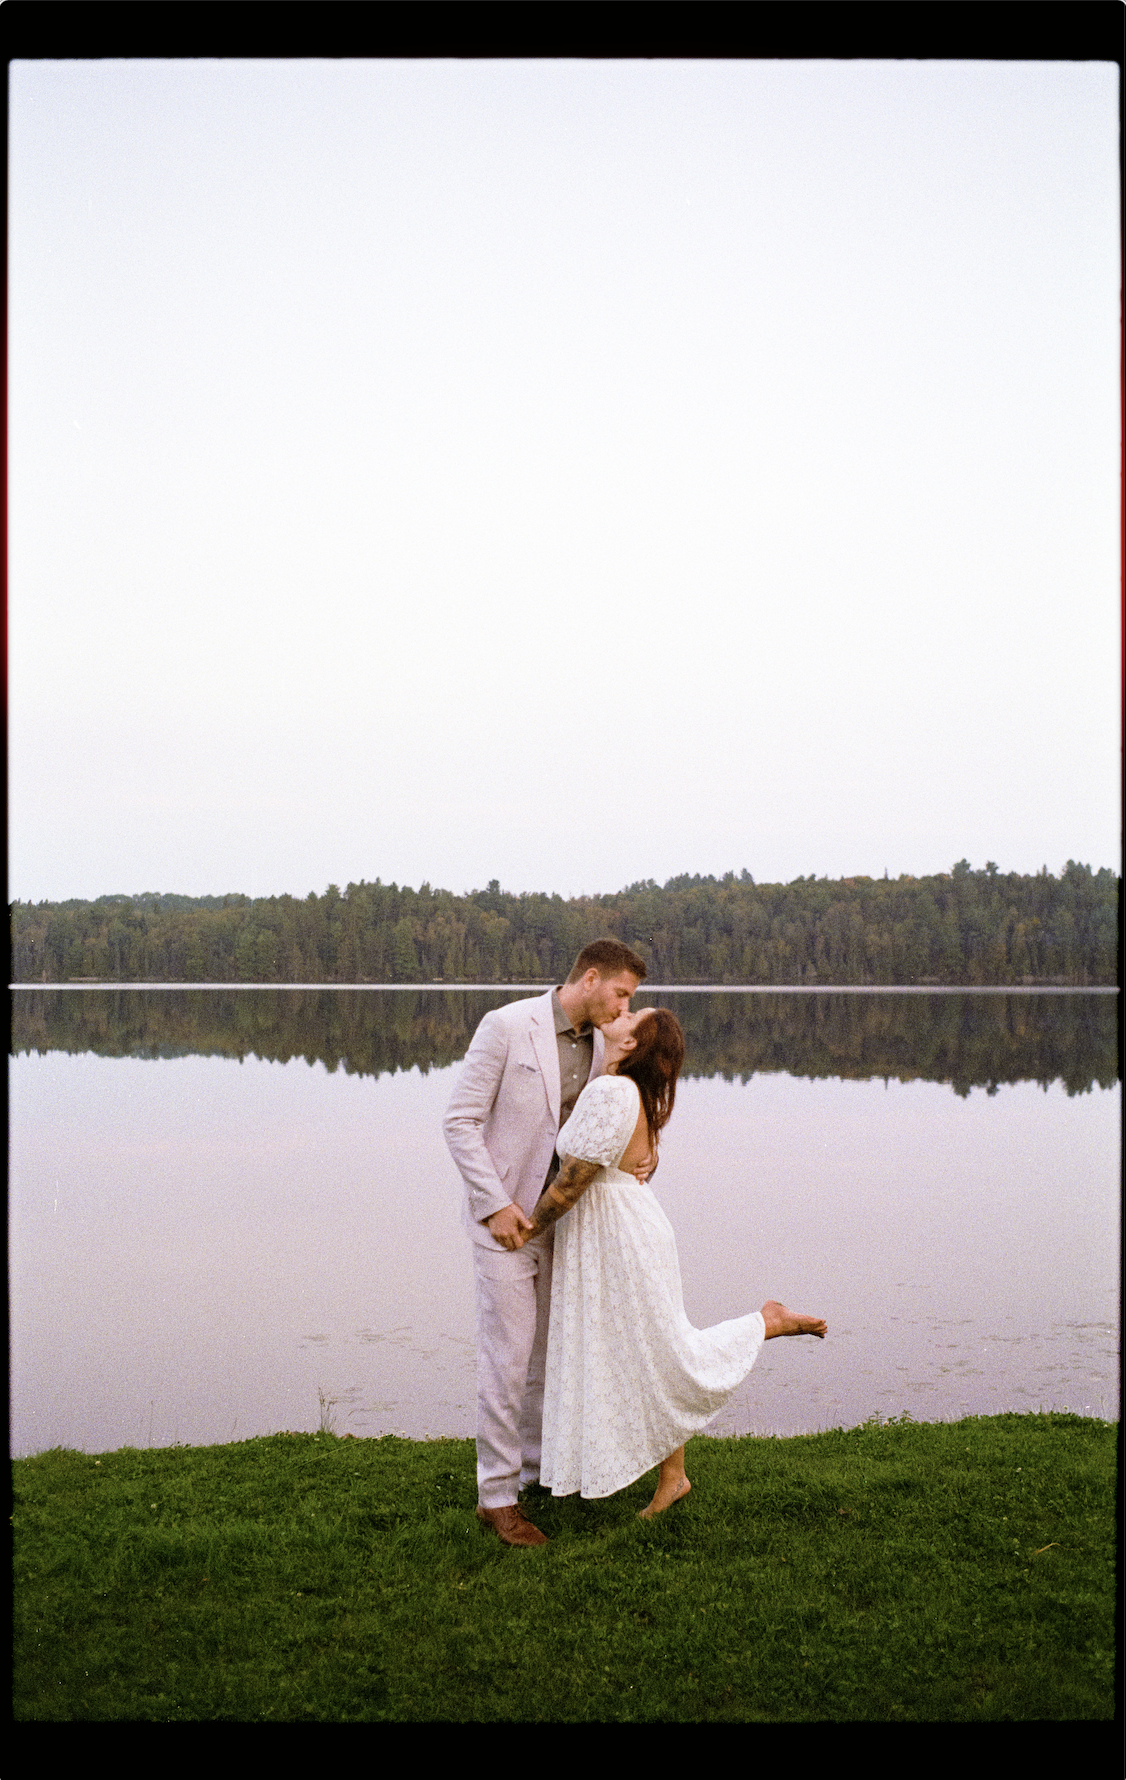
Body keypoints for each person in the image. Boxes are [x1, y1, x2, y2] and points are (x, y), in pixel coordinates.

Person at [512, 1006, 827, 1518]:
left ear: (633, 1044)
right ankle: (673, 1476)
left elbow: (572, 1181)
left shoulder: (615, 1091)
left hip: (617, 1237)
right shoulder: (620, 1090)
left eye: (633, 1014)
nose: (622, 1012)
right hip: (618, 1229)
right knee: (648, 1351)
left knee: (660, 1351)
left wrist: (524, 1230)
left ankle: (764, 1323)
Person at [443, 938, 651, 1547]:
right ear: (591, 979)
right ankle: (496, 1499)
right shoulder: (507, 1025)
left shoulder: (606, 1044)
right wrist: (495, 1206)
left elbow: (612, 1123)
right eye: (621, 993)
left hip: (566, 1224)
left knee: (547, 1356)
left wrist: (642, 1158)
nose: (625, 1006)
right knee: (507, 1359)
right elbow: (459, 1121)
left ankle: (534, 1474)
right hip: (504, 1226)